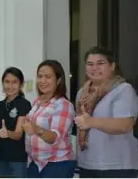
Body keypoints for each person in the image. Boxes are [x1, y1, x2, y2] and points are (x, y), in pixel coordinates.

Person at [74, 46, 138, 178]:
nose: (94, 68)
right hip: (86, 165)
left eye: (100, 63)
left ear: (112, 66)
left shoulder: (123, 89)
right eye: (90, 64)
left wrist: (91, 122)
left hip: (116, 167)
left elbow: (125, 125)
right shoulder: (82, 92)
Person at [22, 60, 76, 178]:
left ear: (58, 80)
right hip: (35, 163)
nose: (42, 81)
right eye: (40, 76)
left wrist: (35, 128)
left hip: (57, 165)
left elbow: (55, 138)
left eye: (48, 77)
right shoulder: (37, 102)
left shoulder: (63, 105)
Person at [0, 67, 31, 177]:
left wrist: (8, 133)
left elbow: (19, 134)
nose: (10, 86)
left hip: (17, 159)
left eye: (14, 82)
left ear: (21, 84)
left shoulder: (24, 104)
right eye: (7, 82)